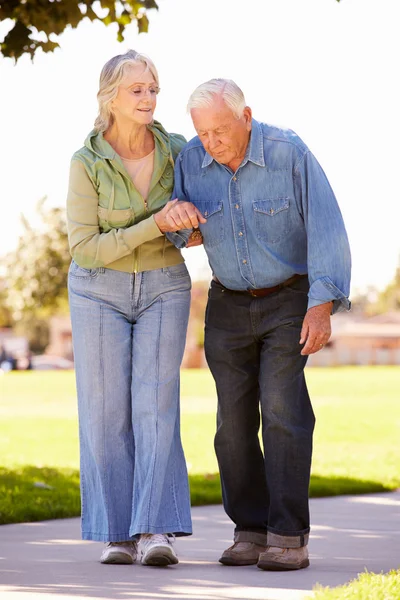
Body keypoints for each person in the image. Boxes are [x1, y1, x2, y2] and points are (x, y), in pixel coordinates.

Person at [165, 79, 351, 571]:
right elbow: (183, 233)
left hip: (289, 298)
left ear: (246, 117)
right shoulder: (190, 160)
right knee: (232, 427)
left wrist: (321, 305)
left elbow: (327, 223)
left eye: (220, 130)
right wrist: (176, 219)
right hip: (226, 304)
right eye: (203, 133)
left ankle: (288, 535)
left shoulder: (289, 152)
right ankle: (249, 529)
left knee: (285, 413)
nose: (212, 142)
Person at [66, 50, 198, 567]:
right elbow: (85, 248)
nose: (148, 98)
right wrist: (156, 224)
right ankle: (116, 534)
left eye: (153, 88)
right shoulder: (87, 163)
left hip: (165, 285)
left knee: (156, 407)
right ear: (111, 98)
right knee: (105, 414)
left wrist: (187, 222)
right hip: (98, 290)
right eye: (136, 90)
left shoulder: (178, 151)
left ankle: (154, 531)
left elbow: (189, 225)